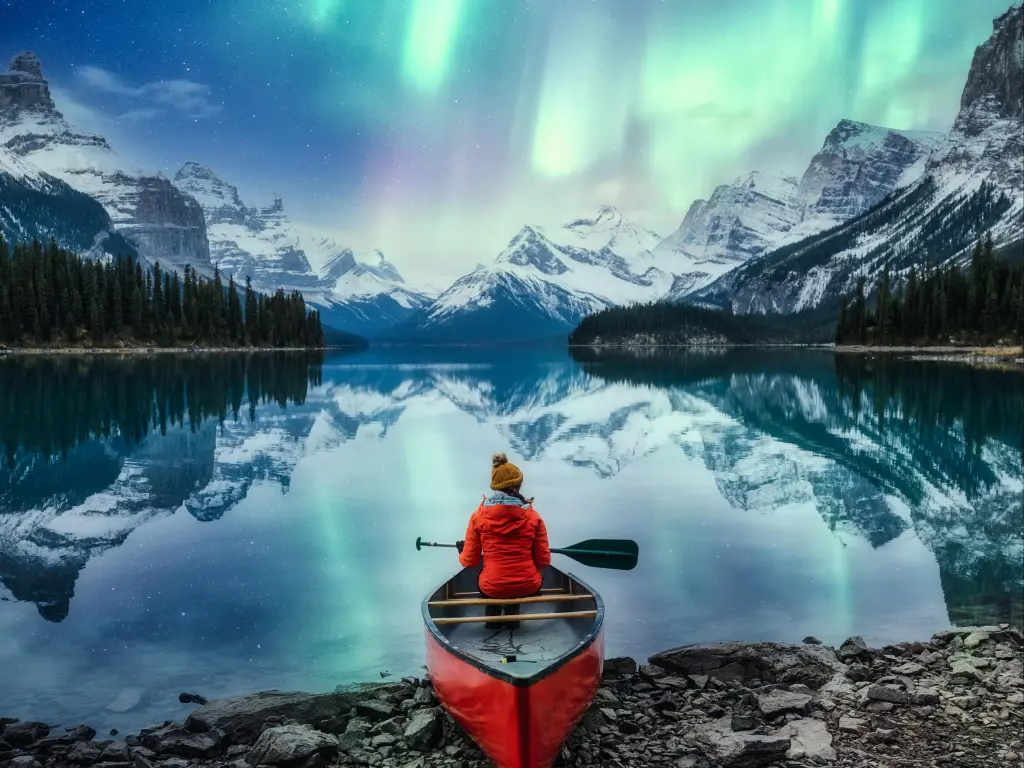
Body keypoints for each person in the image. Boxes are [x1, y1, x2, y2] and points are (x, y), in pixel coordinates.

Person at [456, 453, 551, 629]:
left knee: (490, 580)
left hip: (492, 587)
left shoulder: (478, 517)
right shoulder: (534, 517)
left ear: (494, 487)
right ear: (519, 485)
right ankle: (512, 620)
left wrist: (461, 552)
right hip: (528, 585)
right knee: (516, 583)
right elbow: (544, 561)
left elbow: (470, 561)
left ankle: (492, 622)